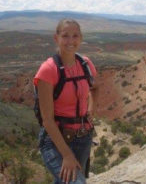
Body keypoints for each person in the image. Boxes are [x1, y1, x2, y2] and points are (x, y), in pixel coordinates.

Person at [33, 18, 99, 184]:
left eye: (75, 36)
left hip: (83, 137)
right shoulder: (48, 70)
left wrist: (90, 109)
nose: (71, 41)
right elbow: (47, 120)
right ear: (56, 38)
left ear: (81, 38)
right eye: (65, 36)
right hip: (56, 140)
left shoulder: (85, 64)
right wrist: (67, 155)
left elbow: (94, 89)